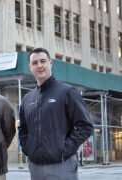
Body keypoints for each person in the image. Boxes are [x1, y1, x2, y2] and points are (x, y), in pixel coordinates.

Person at [18, 48, 93, 180]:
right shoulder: (27, 98)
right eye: (35, 63)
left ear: (50, 63)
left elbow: (85, 126)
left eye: (43, 61)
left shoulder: (67, 92)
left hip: (62, 165)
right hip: (35, 167)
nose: (39, 65)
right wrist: (28, 149)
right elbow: (23, 129)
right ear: (30, 67)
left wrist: (65, 150)